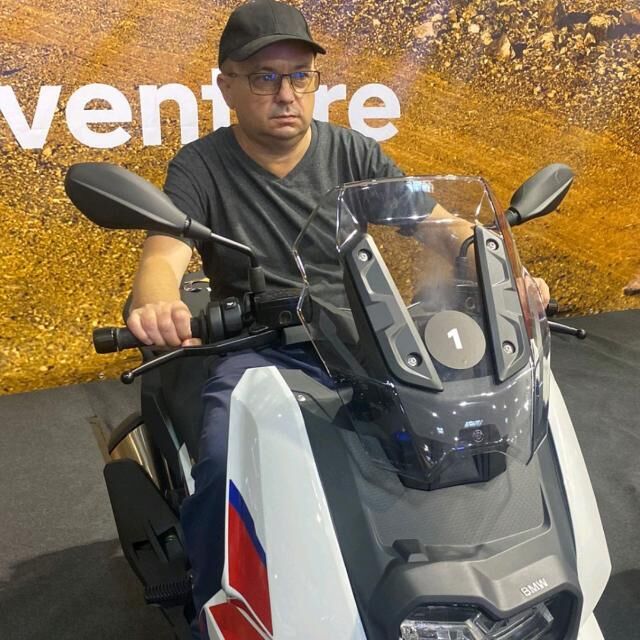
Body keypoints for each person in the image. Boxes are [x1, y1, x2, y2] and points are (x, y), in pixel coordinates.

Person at [125, 0, 550, 632]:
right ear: (227, 86)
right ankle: (219, 604)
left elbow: (436, 223)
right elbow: (165, 251)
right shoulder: (201, 165)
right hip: (259, 346)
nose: (286, 94)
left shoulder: (353, 152)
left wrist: (498, 268)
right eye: (265, 78)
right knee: (224, 464)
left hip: (363, 341)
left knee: (457, 437)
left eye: (300, 76)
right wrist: (155, 300)